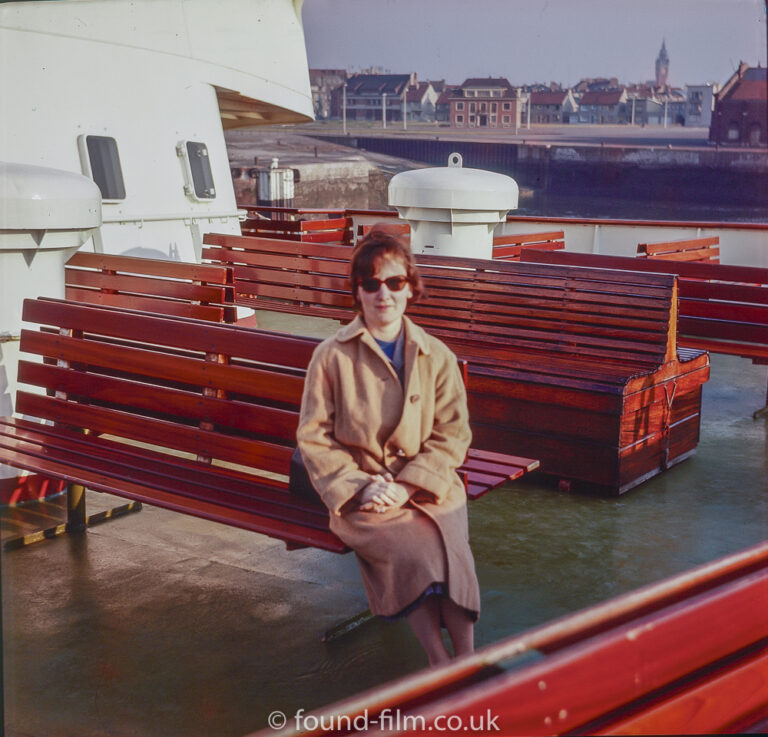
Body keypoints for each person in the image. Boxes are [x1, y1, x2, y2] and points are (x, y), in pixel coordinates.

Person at [296, 226, 479, 666]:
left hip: (429, 486)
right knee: (415, 549)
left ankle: (468, 659)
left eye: (395, 282)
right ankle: (439, 660)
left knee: (450, 545)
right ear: (357, 291)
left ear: (411, 288)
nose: (384, 294)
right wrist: (361, 486)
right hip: (365, 496)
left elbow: (453, 432)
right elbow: (313, 435)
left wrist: (408, 486)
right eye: (371, 283)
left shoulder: (437, 355)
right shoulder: (331, 356)